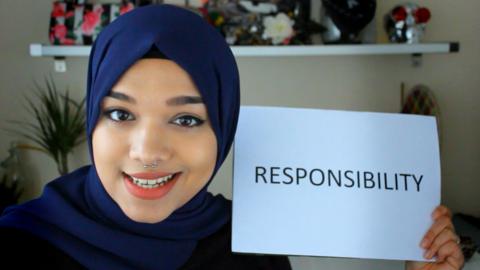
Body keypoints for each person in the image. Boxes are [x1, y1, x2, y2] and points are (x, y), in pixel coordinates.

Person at [0, 4, 464, 270]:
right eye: (120, 113)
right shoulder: (26, 243)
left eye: (186, 120)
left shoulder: (252, 253)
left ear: (223, 127)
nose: (148, 152)